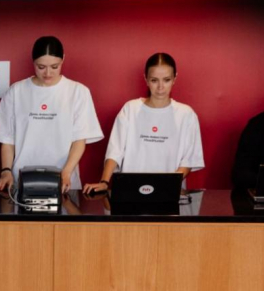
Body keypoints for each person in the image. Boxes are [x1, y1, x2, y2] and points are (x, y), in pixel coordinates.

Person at [0, 36, 103, 195]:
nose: (48, 73)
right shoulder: (17, 91)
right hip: (22, 180)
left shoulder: (78, 91)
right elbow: (7, 139)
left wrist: (66, 172)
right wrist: (6, 171)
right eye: (41, 67)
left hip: (64, 181)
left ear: (63, 59)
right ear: (33, 62)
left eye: (54, 66)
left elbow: (79, 140)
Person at [83, 52, 204, 195]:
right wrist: (104, 182)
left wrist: (166, 184)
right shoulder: (130, 109)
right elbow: (115, 151)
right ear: (146, 79)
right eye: (154, 80)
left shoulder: (186, 114)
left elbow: (187, 161)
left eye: (166, 80)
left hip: (169, 194)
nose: (160, 87)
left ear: (174, 79)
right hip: (130, 191)